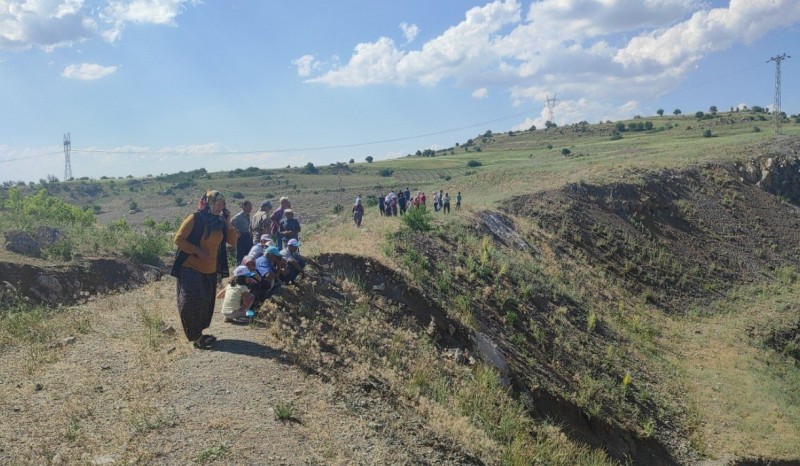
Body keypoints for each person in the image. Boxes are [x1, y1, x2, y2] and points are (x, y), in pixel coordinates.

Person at [171, 190, 238, 349]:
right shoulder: (195, 218)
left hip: (210, 269)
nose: (219, 207)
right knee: (190, 302)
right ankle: (195, 337)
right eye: (216, 203)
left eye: (222, 204)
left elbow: (233, 241)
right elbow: (178, 239)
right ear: (208, 203)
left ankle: (199, 333)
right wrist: (197, 251)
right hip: (190, 267)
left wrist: (228, 222)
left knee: (204, 303)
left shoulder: (220, 222)